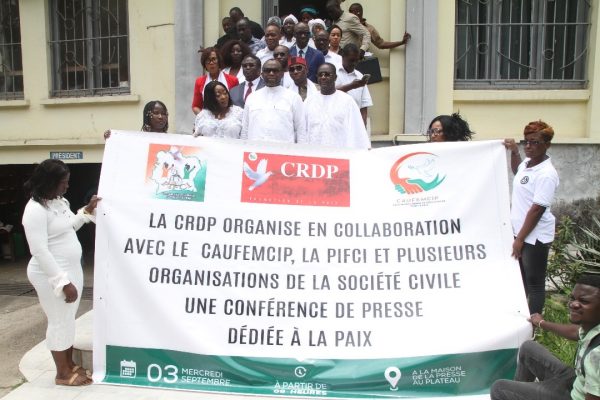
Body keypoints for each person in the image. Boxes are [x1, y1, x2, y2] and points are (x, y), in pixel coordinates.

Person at [22, 159, 100, 387]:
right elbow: (39, 251)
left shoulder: (59, 202)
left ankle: (69, 363)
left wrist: (86, 211)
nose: (67, 186)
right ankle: (62, 373)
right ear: (49, 182)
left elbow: (70, 226)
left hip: (70, 269)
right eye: (63, 182)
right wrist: (62, 282)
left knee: (67, 319)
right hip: (50, 274)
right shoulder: (35, 210)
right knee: (58, 320)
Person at [490, 274, 600, 400]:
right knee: (529, 348)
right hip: (576, 381)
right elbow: (575, 332)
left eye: (584, 301)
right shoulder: (593, 327)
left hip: (573, 397)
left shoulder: (597, 355)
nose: (574, 304)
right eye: (573, 298)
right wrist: (541, 323)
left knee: (500, 389)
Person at [504, 120, 559, 315]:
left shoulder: (546, 174)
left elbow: (537, 210)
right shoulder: (528, 164)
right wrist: (514, 152)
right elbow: (518, 172)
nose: (528, 146)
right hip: (520, 233)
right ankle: (520, 318)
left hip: (535, 236)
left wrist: (519, 239)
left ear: (547, 144)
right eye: (525, 141)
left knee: (534, 282)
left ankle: (534, 325)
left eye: (534, 142)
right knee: (520, 280)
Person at [303, 63, 370, 149]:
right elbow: (303, 130)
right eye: (320, 75)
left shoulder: (347, 101)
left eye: (327, 74)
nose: (323, 77)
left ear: (335, 77)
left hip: (339, 153)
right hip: (314, 153)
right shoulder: (309, 101)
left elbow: (356, 131)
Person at [241, 59, 306, 143]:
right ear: (262, 74)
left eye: (275, 71)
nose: (271, 73)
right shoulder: (252, 98)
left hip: (283, 149)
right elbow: (245, 129)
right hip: (255, 149)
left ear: (282, 74)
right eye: (267, 71)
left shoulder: (293, 97)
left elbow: (301, 129)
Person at [192, 47, 239, 114]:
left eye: (214, 59)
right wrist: (204, 118)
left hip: (229, 117)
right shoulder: (199, 81)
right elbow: (196, 106)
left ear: (219, 61)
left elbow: (236, 103)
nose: (211, 63)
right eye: (208, 60)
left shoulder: (233, 80)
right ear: (204, 64)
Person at [335, 43, 372, 126]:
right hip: (337, 122)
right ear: (343, 57)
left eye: (357, 60)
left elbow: (364, 104)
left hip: (354, 122)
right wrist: (351, 86)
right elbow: (329, 93)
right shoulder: (333, 72)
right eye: (351, 60)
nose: (354, 63)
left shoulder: (359, 76)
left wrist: (363, 126)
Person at [103, 100, 168, 140]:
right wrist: (111, 139)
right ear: (147, 115)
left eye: (163, 114)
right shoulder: (137, 140)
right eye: (156, 113)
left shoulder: (172, 141)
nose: (160, 117)